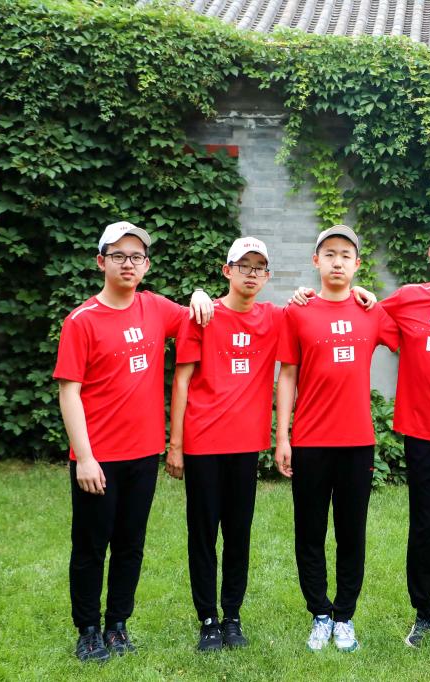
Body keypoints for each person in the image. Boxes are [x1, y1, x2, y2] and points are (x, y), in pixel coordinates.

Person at [291, 217, 430, 649]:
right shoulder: (406, 299)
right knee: (424, 527)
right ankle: (424, 613)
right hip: (422, 433)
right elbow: (354, 310)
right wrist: (313, 294)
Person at [54, 221, 212, 663]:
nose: (128, 263)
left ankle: (118, 625)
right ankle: (88, 630)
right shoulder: (82, 321)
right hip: (98, 458)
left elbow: (200, 315)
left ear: (146, 265)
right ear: (100, 261)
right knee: (91, 546)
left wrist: (200, 293)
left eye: (137, 256)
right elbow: (69, 393)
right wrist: (85, 457)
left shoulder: (154, 308)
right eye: (119, 255)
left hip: (143, 453)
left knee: (130, 544)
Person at [275, 225, 400, 652]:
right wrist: (283, 436)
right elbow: (287, 375)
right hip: (310, 441)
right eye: (329, 254)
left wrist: (374, 298)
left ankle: (345, 616)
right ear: (316, 261)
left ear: (357, 264)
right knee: (309, 533)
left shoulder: (371, 312)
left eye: (346, 255)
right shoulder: (298, 312)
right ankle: (320, 614)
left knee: (351, 533)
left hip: (357, 443)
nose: (337, 262)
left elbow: (408, 340)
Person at [165, 237, 283, 652]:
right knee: (203, 535)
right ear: (226, 270)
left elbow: (318, 307)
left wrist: (357, 293)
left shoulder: (273, 318)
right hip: (202, 444)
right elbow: (181, 381)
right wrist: (175, 445)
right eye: (243, 265)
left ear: (267, 276)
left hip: (245, 446)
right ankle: (208, 620)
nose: (251, 273)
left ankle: (231, 616)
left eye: (259, 267)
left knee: (238, 534)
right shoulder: (203, 315)